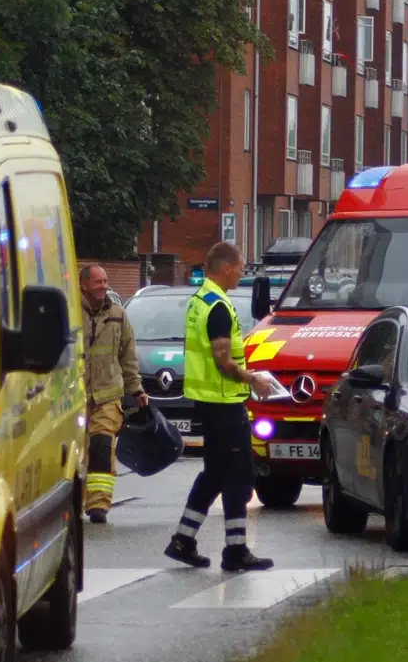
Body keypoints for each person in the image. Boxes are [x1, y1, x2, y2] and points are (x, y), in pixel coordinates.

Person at [164, 241, 277, 571]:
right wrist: (252, 379)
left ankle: (183, 540)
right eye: (240, 267)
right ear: (226, 267)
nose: (241, 273)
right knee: (240, 477)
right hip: (225, 403)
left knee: (214, 473)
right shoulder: (218, 307)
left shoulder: (200, 300)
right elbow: (222, 359)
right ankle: (236, 550)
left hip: (208, 402)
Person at [80, 264, 148, 523]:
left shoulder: (118, 314)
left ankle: (98, 505)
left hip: (108, 396)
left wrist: (137, 389)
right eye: (98, 282)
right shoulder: (71, 314)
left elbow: (128, 357)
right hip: (75, 397)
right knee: (76, 452)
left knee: (101, 445)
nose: (103, 286)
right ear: (84, 285)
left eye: (105, 281)